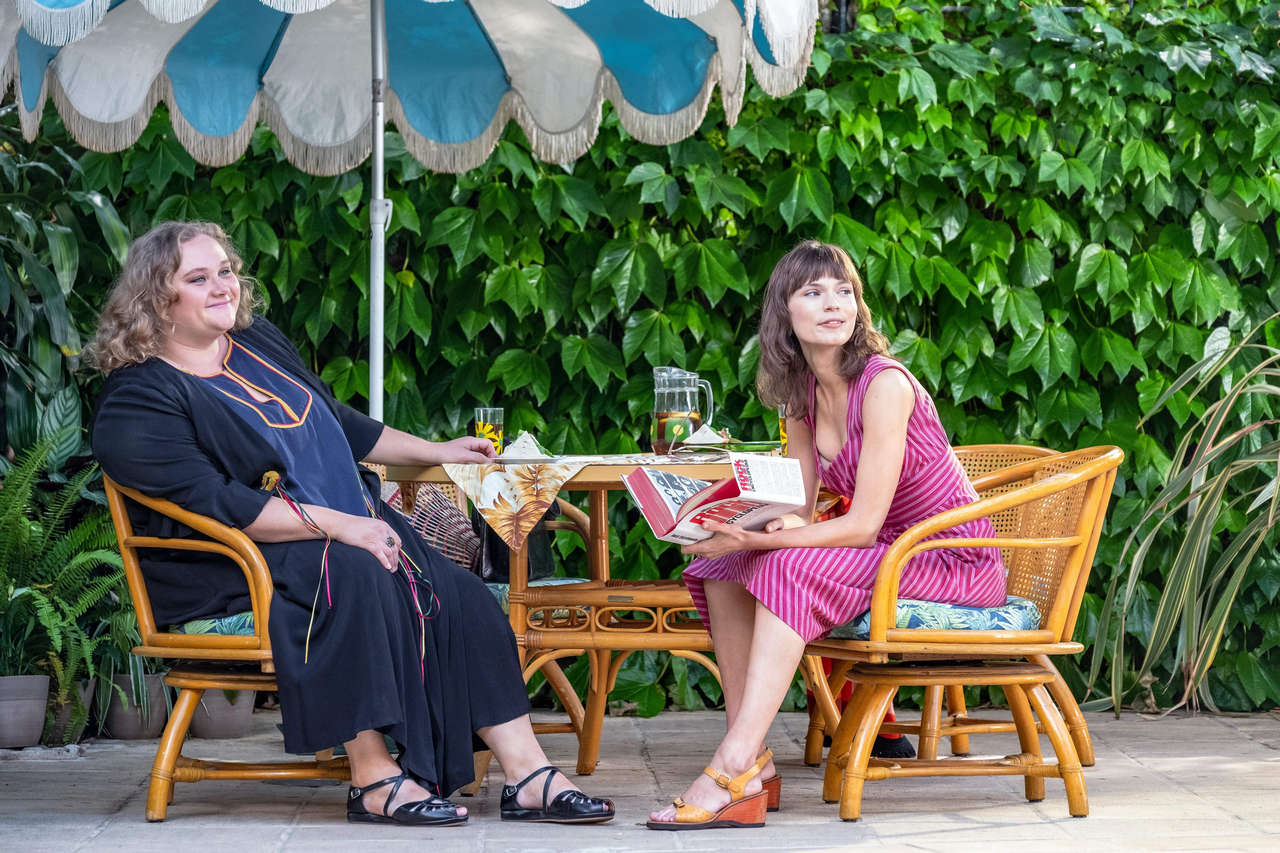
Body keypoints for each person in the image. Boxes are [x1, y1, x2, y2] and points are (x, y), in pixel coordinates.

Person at [89, 221, 614, 827]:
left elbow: (339, 422)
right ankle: (372, 777)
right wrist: (339, 525)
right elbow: (216, 502)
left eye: (226, 271)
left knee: (462, 595)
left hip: (343, 530)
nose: (222, 287)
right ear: (157, 299)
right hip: (237, 562)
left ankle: (527, 774)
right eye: (198, 278)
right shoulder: (137, 398)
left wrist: (440, 450)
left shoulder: (256, 343)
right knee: (355, 573)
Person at [647, 240, 1005, 830]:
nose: (833, 303)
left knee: (783, 565)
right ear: (784, 313)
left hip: (947, 559)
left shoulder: (885, 385)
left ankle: (730, 761)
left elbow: (862, 525)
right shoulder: (801, 396)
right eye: (813, 292)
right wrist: (727, 524)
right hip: (886, 553)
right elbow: (800, 507)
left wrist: (763, 541)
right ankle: (753, 763)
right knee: (716, 565)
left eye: (844, 291)